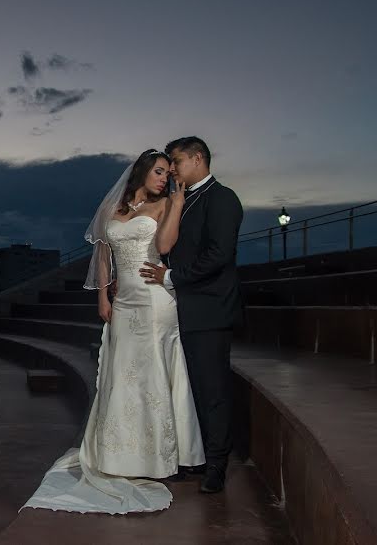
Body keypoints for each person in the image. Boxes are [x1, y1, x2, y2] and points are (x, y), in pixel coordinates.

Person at [22, 148, 204, 515]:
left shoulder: (167, 203)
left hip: (155, 302)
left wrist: (178, 200)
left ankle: (157, 459)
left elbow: (165, 247)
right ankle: (120, 454)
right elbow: (104, 258)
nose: (163, 178)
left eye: (168, 173)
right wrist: (102, 299)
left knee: (152, 376)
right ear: (140, 173)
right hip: (123, 304)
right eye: (158, 171)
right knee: (121, 377)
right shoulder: (113, 211)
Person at [140, 136, 244, 493]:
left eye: (177, 163)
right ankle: (196, 457)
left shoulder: (222, 198)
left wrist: (171, 277)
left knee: (212, 388)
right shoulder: (182, 199)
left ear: (198, 159)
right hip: (181, 309)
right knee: (189, 388)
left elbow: (218, 255)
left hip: (209, 310)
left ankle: (217, 464)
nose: (172, 171)